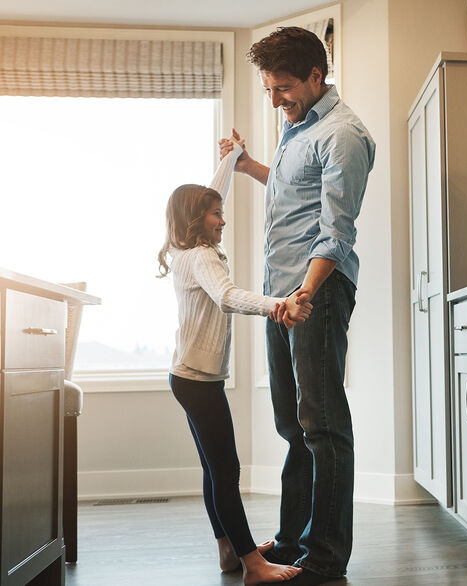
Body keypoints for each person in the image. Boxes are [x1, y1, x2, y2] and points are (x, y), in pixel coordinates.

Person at [219, 26, 375, 585]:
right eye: (268, 90)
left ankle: (326, 560)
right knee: (293, 422)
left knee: (323, 426)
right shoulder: (298, 129)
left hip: (316, 294)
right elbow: (290, 193)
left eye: (283, 88)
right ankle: (291, 542)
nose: (275, 99)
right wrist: (248, 166)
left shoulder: (343, 135)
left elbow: (335, 233)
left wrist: (305, 294)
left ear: (316, 75)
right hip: (280, 296)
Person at [157, 183, 312, 585]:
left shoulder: (184, 254)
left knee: (215, 469)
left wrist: (232, 157)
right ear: (195, 220)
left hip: (187, 376)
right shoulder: (203, 257)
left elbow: (207, 191)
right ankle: (252, 565)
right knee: (226, 471)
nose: (222, 220)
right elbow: (226, 296)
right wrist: (278, 305)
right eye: (215, 214)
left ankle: (228, 550)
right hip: (198, 380)